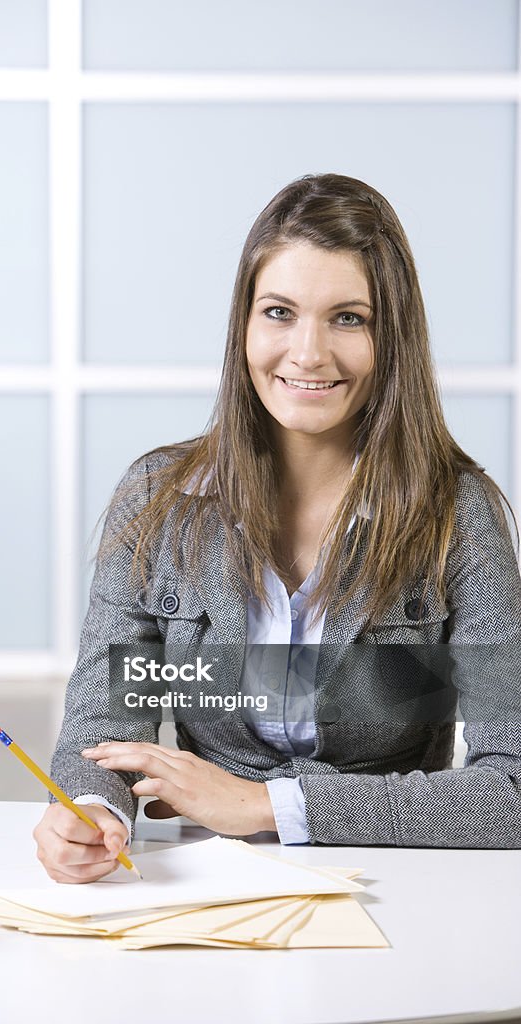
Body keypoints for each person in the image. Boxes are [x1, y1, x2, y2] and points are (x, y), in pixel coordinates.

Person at [33, 172, 521, 884]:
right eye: (280, 312)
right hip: (201, 882)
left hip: (392, 881)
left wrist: (269, 805)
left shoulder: (457, 516)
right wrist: (90, 811)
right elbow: (108, 720)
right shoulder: (156, 499)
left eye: (348, 318)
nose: (308, 353)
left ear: (394, 337)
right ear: (244, 324)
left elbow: (511, 792)